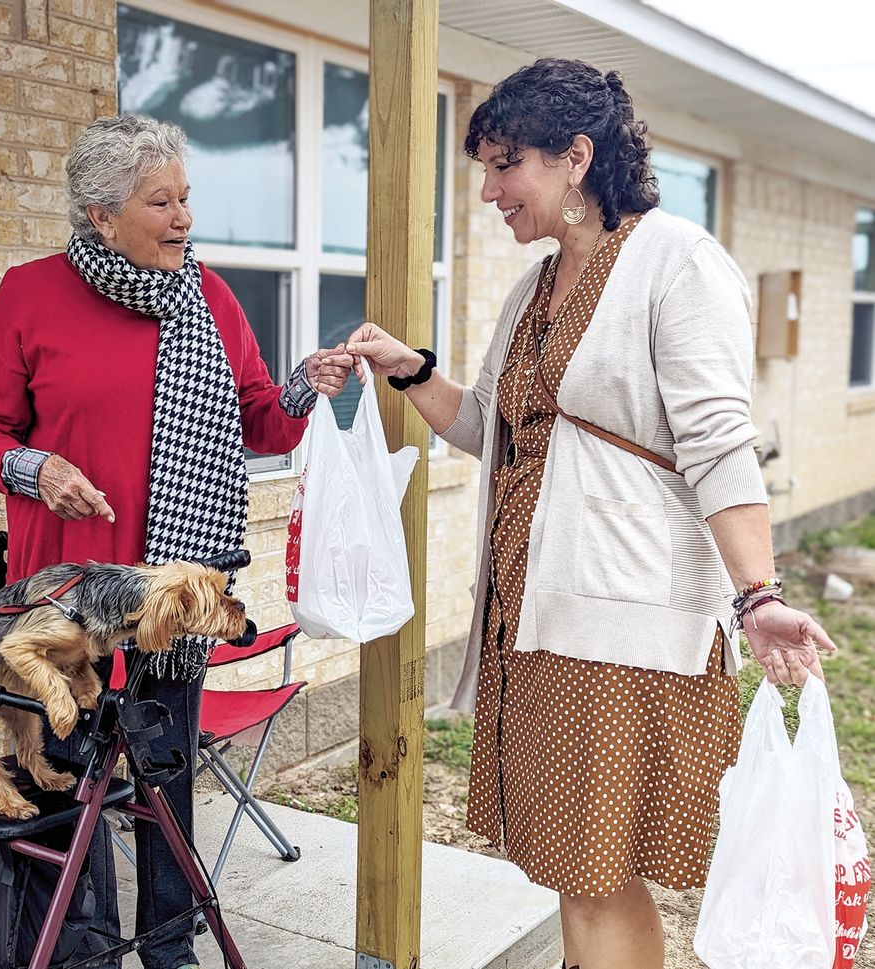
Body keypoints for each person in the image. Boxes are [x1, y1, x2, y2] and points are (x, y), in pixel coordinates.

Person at [345, 58, 836, 969]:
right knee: (575, 865)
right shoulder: (533, 290)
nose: (490, 191)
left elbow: (720, 443)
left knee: (598, 868)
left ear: (577, 157)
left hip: (623, 620)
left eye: (505, 166)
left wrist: (758, 593)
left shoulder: (674, 263)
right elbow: (493, 428)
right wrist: (409, 370)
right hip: (535, 616)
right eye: (486, 170)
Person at [0, 114, 354, 969]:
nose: (182, 218)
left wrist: (304, 386)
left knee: (165, 770)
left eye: (185, 198)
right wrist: (35, 467)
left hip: (176, 598)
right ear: (101, 214)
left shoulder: (207, 296)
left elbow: (262, 424)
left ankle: (170, 941)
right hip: (67, 606)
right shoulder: (30, 294)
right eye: (159, 201)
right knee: (64, 771)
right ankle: (85, 944)